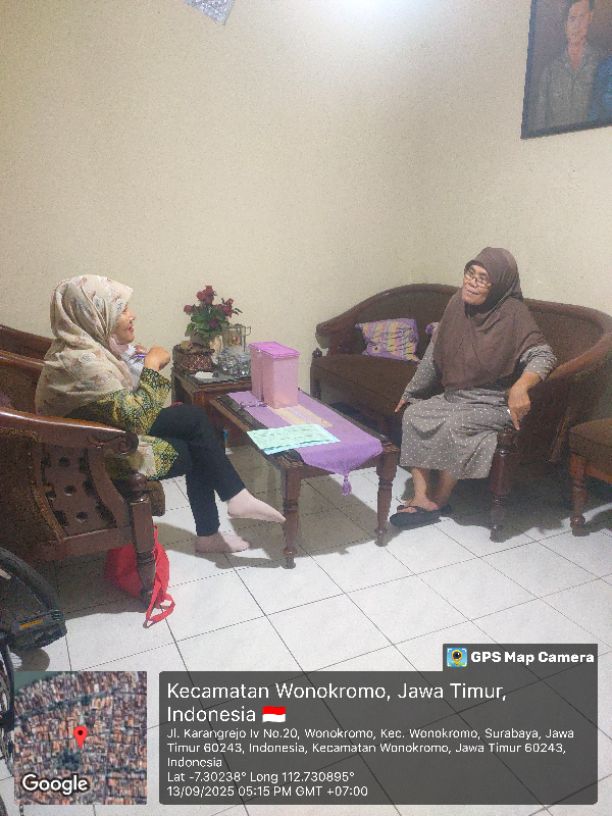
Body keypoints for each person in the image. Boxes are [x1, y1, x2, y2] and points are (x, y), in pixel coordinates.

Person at [35, 275, 285, 552]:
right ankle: (215, 526)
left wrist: (137, 357)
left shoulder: (82, 347)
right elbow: (136, 420)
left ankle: (234, 498)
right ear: (95, 315)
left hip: (103, 431)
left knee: (195, 419)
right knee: (199, 451)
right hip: (96, 455)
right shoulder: (83, 363)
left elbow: (120, 394)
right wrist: (152, 365)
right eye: (122, 310)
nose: (132, 315)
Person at [391, 247, 557, 529]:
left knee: (456, 424)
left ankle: (440, 499)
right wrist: (412, 392)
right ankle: (421, 497)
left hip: (493, 401)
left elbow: (544, 355)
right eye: (470, 273)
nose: (472, 283)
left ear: (499, 285)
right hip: (455, 395)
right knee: (414, 414)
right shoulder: (458, 302)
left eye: (483, 279)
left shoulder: (513, 312)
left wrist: (521, 385)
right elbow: (434, 352)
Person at [534, 0, 600, 131]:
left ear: (590, 17)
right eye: (572, 18)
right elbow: (539, 124)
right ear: (565, 24)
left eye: (582, 17)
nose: (577, 25)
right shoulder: (550, 72)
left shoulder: (603, 64)